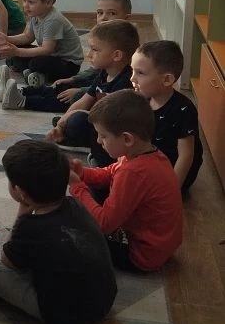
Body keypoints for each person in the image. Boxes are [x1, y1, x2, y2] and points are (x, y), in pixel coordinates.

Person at [0, 140, 117, 324]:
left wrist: (22, 213)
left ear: (21, 193)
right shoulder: (74, 204)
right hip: (104, 300)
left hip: (63, 316)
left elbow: (7, 262)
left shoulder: (30, 227)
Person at [68, 90, 184, 272]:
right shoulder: (147, 154)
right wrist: (82, 173)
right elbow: (109, 173)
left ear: (127, 139)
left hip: (142, 254)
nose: (98, 141)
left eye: (103, 136)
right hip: (160, 244)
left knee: (73, 231)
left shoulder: (134, 172)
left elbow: (104, 224)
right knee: (91, 192)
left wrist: (76, 187)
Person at [40, 20, 140, 166]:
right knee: (71, 111)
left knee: (77, 120)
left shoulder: (125, 82)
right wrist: (60, 125)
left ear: (117, 55)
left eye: (95, 50)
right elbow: (85, 100)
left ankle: (97, 154)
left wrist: (73, 116)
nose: (89, 54)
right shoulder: (104, 73)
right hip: (98, 121)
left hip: (111, 128)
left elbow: (110, 119)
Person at [0, 0, 84, 104]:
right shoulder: (35, 15)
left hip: (68, 64)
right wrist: (7, 39)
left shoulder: (53, 20)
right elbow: (27, 37)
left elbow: (46, 50)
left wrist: (17, 51)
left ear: (48, 3)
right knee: (13, 58)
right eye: (24, 1)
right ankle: (31, 73)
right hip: (52, 57)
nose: (26, 5)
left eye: (31, 2)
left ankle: (34, 73)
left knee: (36, 62)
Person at [130, 40, 202, 193]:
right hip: (151, 161)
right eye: (132, 71)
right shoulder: (143, 99)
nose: (132, 78)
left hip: (173, 171)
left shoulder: (183, 109)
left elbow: (186, 155)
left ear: (167, 80)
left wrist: (171, 191)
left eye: (140, 73)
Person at [47, 0, 132, 108]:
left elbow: (110, 87)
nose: (103, 18)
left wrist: (80, 90)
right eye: (100, 13)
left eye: (112, 13)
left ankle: (27, 100)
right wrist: (73, 79)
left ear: (126, 18)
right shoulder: (100, 37)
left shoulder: (127, 43)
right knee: (63, 86)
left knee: (74, 96)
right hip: (99, 81)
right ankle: (27, 93)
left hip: (109, 91)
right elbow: (95, 72)